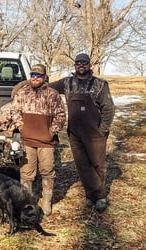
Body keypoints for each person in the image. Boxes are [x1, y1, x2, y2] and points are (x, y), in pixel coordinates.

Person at [50, 53, 115, 213]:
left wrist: (103, 129)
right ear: (74, 66)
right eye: (78, 63)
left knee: (98, 164)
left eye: (84, 63)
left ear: (89, 65)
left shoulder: (100, 84)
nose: (81, 65)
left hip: (95, 133)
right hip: (75, 133)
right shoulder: (67, 82)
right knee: (82, 165)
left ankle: (100, 197)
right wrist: (24, 84)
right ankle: (90, 195)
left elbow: (109, 108)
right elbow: (47, 86)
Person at [10, 64, 66, 216]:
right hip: (27, 141)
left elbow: (61, 115)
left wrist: (51, 131)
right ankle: (27, 202)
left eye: (38, 76)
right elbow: (14, 110)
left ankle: (46, 202)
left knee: (47, 171)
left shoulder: (52, 94)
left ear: (44, 77)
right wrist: (21, 127)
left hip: (46, 142)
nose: (35, 78)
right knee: (26, 173)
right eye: (33, 75)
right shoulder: (22, 92)